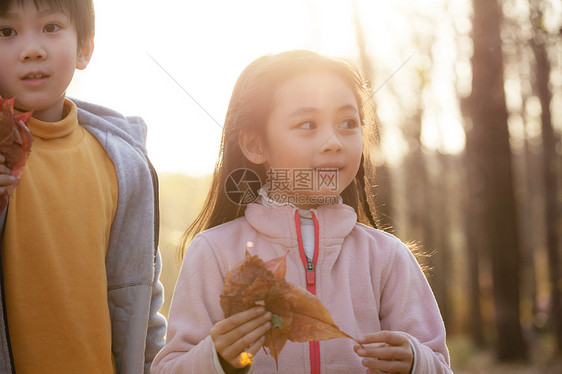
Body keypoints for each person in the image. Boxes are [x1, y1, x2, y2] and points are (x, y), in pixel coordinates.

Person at [151, 50, 452, 374]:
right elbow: (169, 367)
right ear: (255, 144)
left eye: (349, 123)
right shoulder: (213, 252)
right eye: (308, 124)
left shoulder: (387, 257)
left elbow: (439, 364)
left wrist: (416, 362)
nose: (333, 142)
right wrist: (214, 359)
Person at [0, 1, 166, 373]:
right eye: (6, 32)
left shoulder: (122, 163)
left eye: (52, 27)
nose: (32, 49)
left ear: (85, 48)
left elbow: (139, 296)